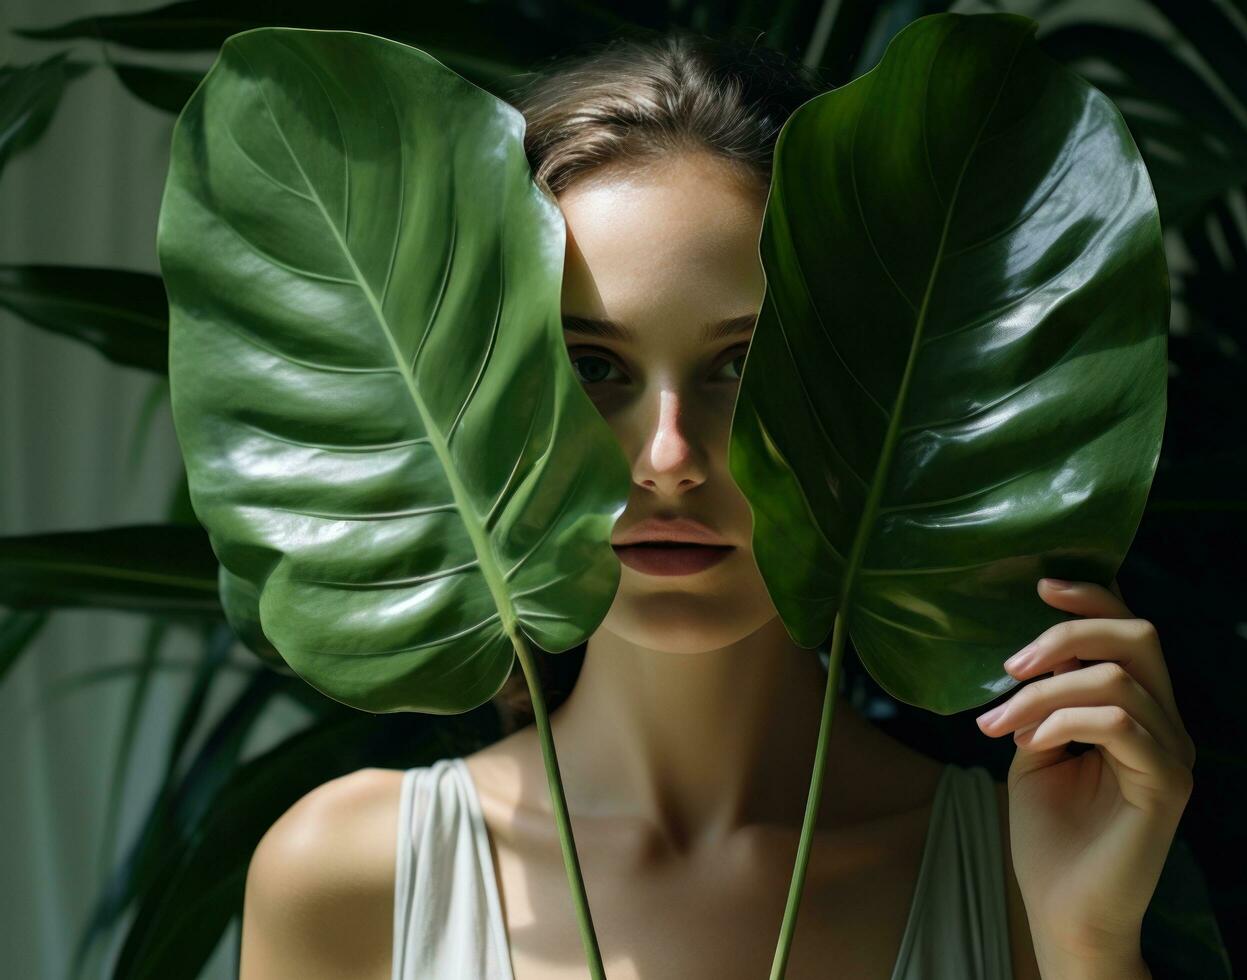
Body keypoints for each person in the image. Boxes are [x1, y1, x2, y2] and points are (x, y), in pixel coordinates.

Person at [238, 28, 1193, 980]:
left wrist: (1087, 947)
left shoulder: (1030, 867)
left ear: (869, 396)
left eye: (743, 365)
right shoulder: (350, 875)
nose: (666, 458)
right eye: (592, 367)